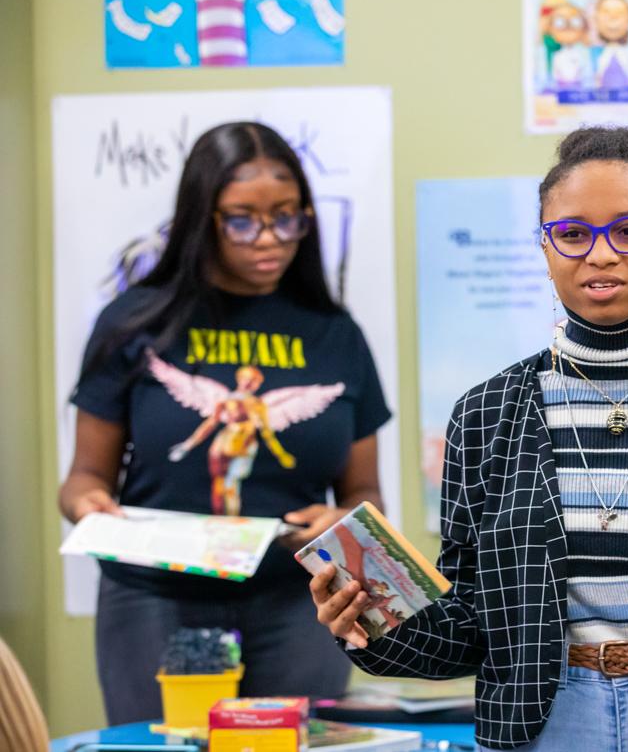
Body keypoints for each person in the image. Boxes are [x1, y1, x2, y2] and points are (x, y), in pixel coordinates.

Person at [312, 126, 628, 751]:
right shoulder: (486, 413)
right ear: (545, 250)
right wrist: (374, 625)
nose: (600, 254)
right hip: (544, 723)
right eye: (573, 235)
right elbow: (471, 627)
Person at [60, 121, 391, 723]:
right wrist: (91, 508)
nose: (270, 239)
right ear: (199, 219)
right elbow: (82, 478)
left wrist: (344, 520)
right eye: (242, 219)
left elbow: (363, 494)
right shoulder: (132, 324)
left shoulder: (336, 335)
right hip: (154, 598)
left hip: (301, 604)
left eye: (289, 217)